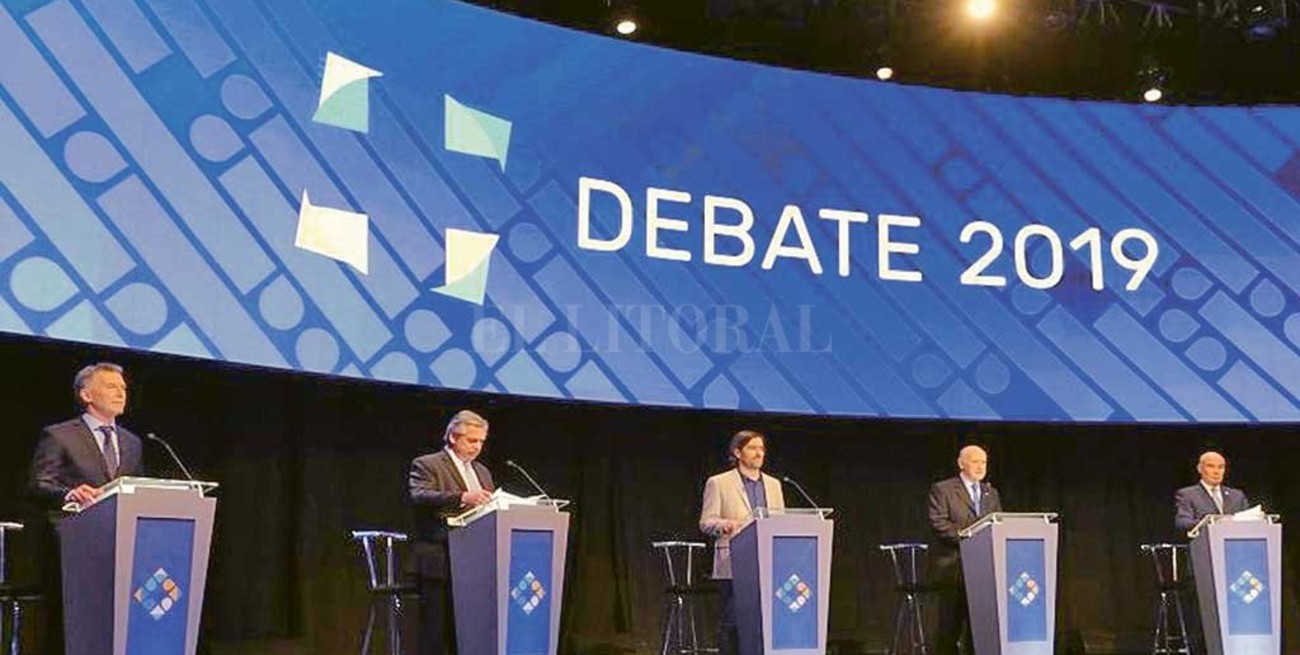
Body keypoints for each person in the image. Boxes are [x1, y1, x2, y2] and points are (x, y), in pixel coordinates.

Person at [409, 410, 496, 655]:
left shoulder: (482, 471)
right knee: (435, 631)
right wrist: (462, 497)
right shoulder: (428, 464)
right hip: (440, 558)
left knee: (469, 631)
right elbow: (420, 495)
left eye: (481, 441)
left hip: (475, 563)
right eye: (472, 440)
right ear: (452, 437)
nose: (477, 447)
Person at [698, 430, 785, 655]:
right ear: (737, 452)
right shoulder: (719, 483)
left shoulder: (774, 484)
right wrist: (728, 524)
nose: (759, 453)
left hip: (768, 564)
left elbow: (781, 521)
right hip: (734, 563)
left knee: (766, 623)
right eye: (752, 448)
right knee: (733, 624)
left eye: (761, 449)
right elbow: (706, 522)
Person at [29, 362, 144, 508]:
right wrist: (69, 495)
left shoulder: (132, 442)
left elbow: (138, 488)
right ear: (86, 395)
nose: (121, 394)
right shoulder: (60, 435)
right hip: (75, 519)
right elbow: (39, 485)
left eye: (123, 388)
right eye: (111, 387)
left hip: (122, 520)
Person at [928, 444, 1002, 655]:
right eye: (975, 461)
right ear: (961, 464)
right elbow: (939, 524)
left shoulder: (991, 492)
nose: (980, 467)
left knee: (979, 628)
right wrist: (970, 536)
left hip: (984, 570)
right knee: (949, 628)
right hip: (953, 569)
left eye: (984, 462)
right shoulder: (943, 489)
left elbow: (997, 523)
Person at [1174, 450, 1249, 534]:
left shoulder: (1237, 496)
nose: (1216, 472)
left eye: (1220, 467)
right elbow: (1183, 522)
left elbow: (1249, 521)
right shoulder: (1188, 494)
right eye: (1210, 466)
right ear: (1199, 469)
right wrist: (1211, 523)